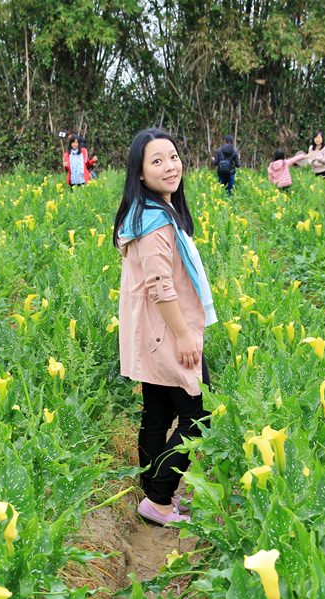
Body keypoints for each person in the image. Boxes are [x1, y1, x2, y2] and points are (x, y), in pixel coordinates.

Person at [114, 128, 217, 526]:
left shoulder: (147, 214)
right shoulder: (156, 221)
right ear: (140, 174)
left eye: (172, 157)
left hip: (151, 334)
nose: (169, 166)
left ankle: (154, 496)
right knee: (199, 413)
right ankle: (158, 499)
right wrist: (186, 335)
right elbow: (160, 285)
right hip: (168, 332)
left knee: (156, 413)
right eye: (156, 161)